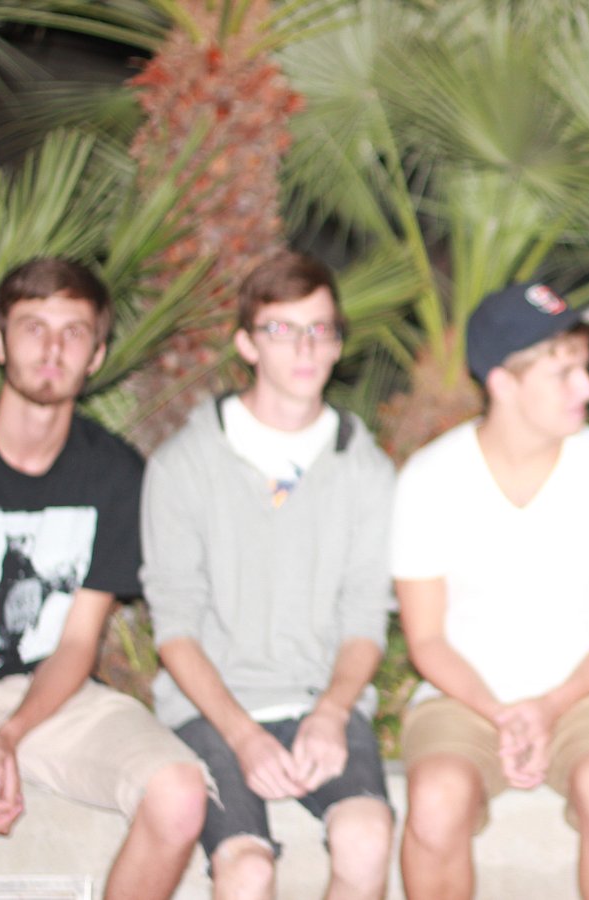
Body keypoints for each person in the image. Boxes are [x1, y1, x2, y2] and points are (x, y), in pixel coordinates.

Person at [0, 257, 208, 899]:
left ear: (96, 355)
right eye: (34, 327)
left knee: (179, 796)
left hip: (57, 699)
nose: (52, 349)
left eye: (74, 332)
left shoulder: (115, 475)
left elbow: (77, 642)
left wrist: (10, 735)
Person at [391, 281, 589, 900]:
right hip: (461, 697)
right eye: (563, 374)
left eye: (584, 368)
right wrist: (498, 712)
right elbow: (426, 639)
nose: (587, 388)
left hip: (588, 694)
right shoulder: (430, 478)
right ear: (504, 384)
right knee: (435, 802)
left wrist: (550, 705)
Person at [141, 250, 394, 899]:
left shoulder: (364, 468)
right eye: (282, 330)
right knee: (248, 869)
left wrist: (333, 712)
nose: (305, 348)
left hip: (318, 698)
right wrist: (243, 736)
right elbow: (175, 627)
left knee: (366, 836)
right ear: (247, 344)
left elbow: (365, 616)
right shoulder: (184, 464)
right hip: (213, 709)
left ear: (337, 343)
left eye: (320, 329)